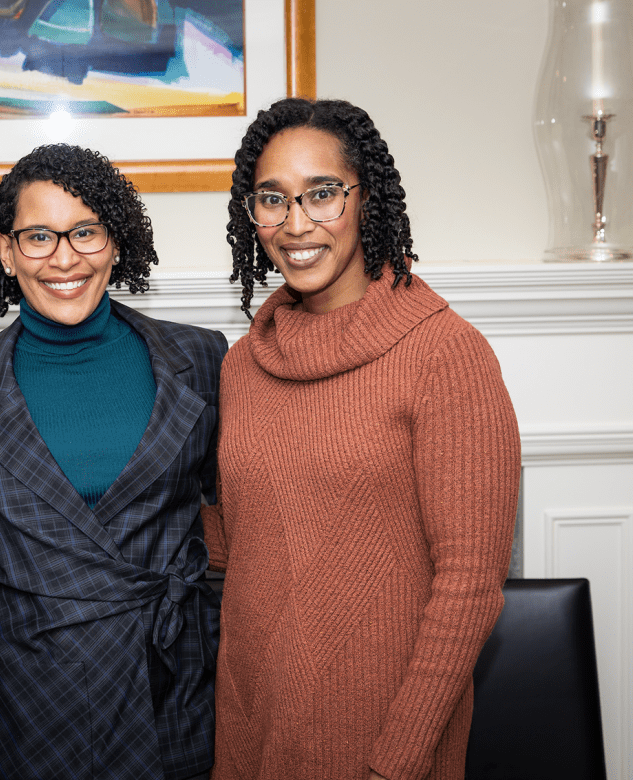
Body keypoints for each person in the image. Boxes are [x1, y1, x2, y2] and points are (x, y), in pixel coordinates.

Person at [202, 97, 521, 780]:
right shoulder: (242, 364)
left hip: (386, 750)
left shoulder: (446, 354)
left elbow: (469, 587)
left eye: (322, 195)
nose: (296, 224)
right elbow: (239, 551)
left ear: (367, 200)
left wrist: (396, 764)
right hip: (251, 737)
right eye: (272, 199)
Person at [0, 143, 226, 780]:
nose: (64, 257)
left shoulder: (200, 359)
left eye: (85, 231)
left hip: (173, 684)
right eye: (38, 236)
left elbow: (241, 522)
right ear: (5, 251)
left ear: (115, 241)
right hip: (27, 701)